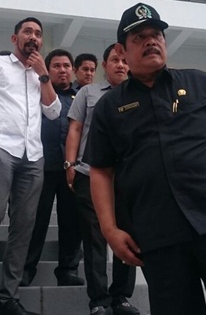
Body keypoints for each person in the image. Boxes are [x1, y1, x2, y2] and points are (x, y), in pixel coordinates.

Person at [86, 3, 206, 315]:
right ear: (122, 50)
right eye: (139, 37)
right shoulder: (109, 106)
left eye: (156, 35)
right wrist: (109, 230)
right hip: (158, 235)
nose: (151, 41)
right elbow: (101, 171)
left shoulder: (200, 83)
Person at [0, 17, 61, 315]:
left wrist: (44, 75)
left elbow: (53, 112)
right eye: (27, 32)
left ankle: (8, 298)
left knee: (24, 225)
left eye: (38, 33)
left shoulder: (40, 74)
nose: (33, 37)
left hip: (33, 155)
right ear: (15, 38)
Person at [65, 44, 140, 315]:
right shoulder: (88, 93)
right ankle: (98, 300)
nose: (120, 65)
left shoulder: (138, 94)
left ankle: (121, 297)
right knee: (94, 237)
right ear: (104, 65)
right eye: (114, 60)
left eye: (124, 61)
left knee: (128, 234)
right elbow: (75, 128)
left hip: (128, 177)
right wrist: (70, 164)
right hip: (90, 174)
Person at [21, 49, 83, 288]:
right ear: (47, 69)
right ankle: (26, 268)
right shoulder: (36, 93)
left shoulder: (81, 97)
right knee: (36, 220)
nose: (62, 70)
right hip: (41, 167)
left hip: (72, 170)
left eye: (66, 65)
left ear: (73, 70)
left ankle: (68, 270)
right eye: (56, 66)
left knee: (71, 222)